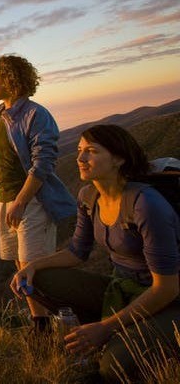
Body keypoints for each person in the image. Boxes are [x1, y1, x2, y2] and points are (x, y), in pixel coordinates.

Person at [11, 124, 180, 381]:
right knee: (41, 280)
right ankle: (117, 329)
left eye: (91, 151)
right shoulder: (89, 196)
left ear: (119, 159)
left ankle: (128, 334)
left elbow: (166, 288)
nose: (80, 158)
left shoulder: (145, 205)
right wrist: (32, 266)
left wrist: (106, 327)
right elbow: (77, 251)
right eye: (79, 150)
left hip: (169, 301)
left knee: (113, 367)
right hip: (122, 289)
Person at [0, 54, 76, 332]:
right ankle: (40, 321)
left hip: (32, 201)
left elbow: (43, 162)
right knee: (18, 262)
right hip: (5, 200)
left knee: (32, 266)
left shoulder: (36, 115)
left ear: (9, 79)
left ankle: (48, 325)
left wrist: (21, 201)